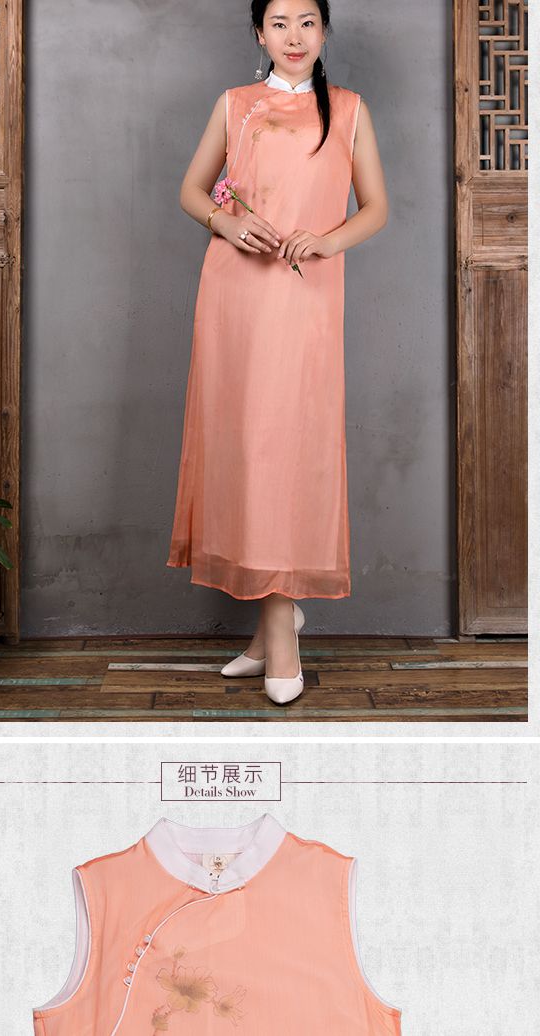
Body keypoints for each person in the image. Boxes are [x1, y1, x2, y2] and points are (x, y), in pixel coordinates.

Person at [167, 0, 388, 705]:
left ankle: (279, 633)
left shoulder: (348, 109)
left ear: (324, 32)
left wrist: (326, 240)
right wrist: (226, 224)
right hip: (234, 296)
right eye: (281, 24)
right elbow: (191, 190)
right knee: (243, 447)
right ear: (260, 33)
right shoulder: (235, 104)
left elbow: (376, 207)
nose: (295, 36)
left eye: (308, 23)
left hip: (305, 298)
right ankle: (274, 630)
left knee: (286, 451)